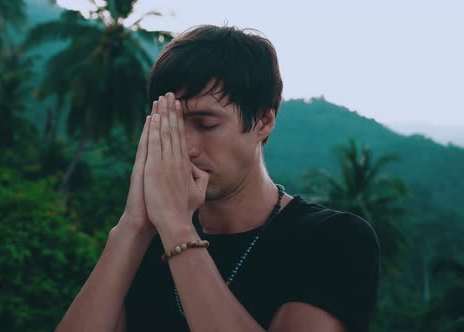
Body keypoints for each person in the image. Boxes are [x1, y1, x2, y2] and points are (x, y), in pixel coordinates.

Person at [56, 25, 380, 332]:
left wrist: (178, 229)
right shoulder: (144, 243)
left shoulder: (333, 240)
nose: (187, 148)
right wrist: (132, 226)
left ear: (264, 120)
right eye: (170, 126)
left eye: (205, 124)